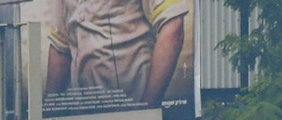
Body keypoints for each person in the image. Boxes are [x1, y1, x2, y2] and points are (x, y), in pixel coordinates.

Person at [45, 0, 190, 109]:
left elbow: (173, 26)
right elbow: (60, 49)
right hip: (82, 114)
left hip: (130, 106)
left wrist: (148, 112)